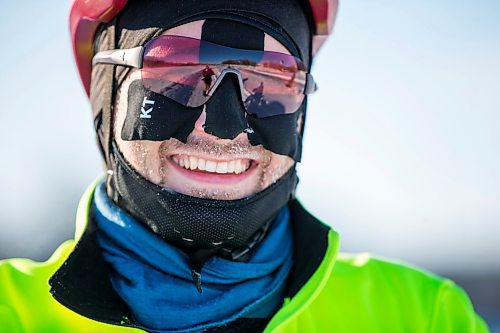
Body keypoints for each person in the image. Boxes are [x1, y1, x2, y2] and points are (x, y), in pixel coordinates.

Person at [0, 0, 490, 332]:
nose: (225, 129)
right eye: (179, 73)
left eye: (270, 84)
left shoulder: (418, 316)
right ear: (107, 99)